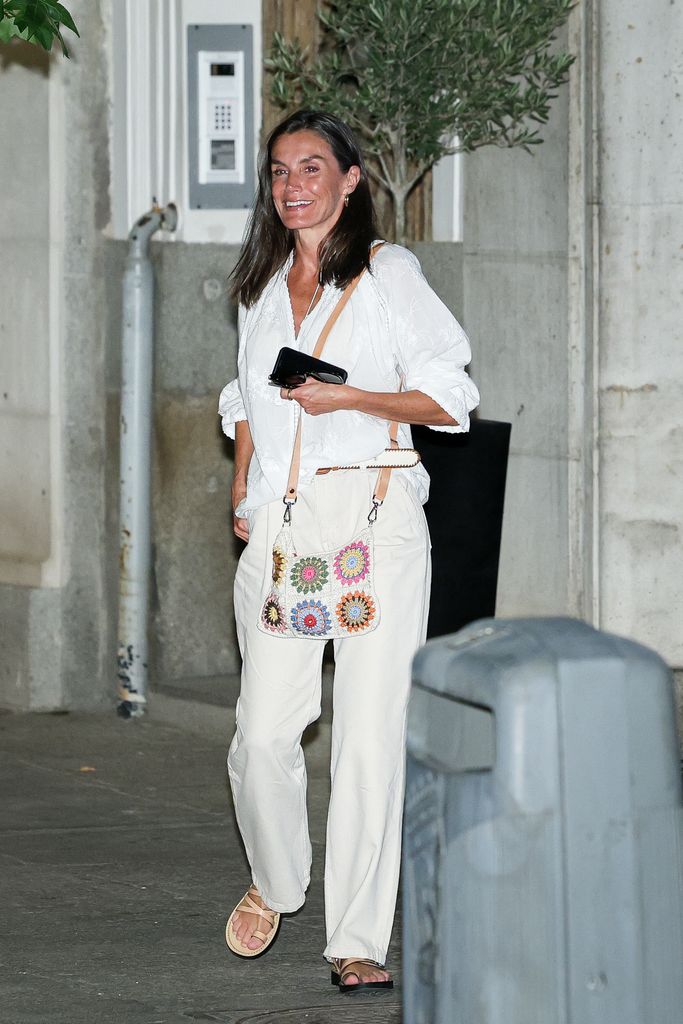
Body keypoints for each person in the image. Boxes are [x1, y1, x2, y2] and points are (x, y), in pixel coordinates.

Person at [218, 109, 479, 991]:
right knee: (261, 735)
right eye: (280, 171)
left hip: (375, 522)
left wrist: (354, 400)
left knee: (368, 736)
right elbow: (245, 401)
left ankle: (357, 938)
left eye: (312, 168)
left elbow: (449, 394)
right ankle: (276, 877)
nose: (293, 185)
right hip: (283, 529)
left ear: (351, 179)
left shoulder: (385, 273)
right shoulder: (259, 284)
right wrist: (241, 486)